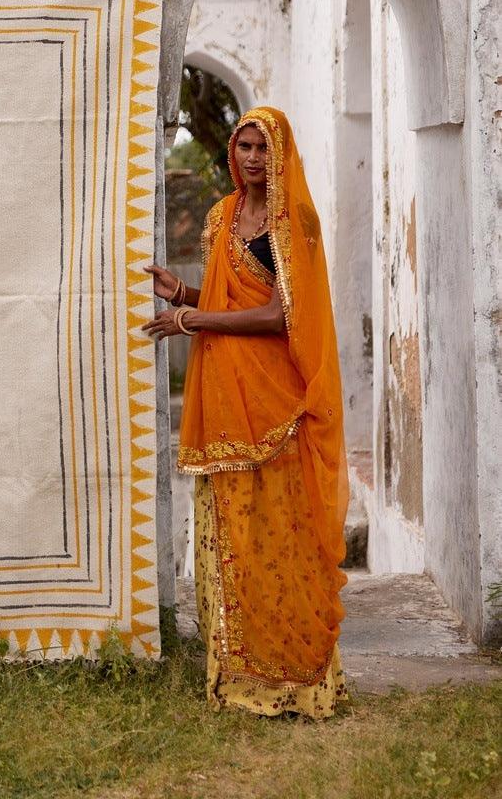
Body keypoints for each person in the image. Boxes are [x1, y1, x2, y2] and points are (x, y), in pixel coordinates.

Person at [146, 106, 348, 718]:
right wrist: (182, 293)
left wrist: (192, 318)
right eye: (245, 147)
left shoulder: (296, 221)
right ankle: (236, 671)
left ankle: (294, 674)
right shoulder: (222, 217)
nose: (253, 158)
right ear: (233, 152)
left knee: (280, 536)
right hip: (224, 402)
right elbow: (223, 297)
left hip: (277, 403)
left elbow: (280, 316)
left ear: (280, 153)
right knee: (231, 530)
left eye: (263, 147)